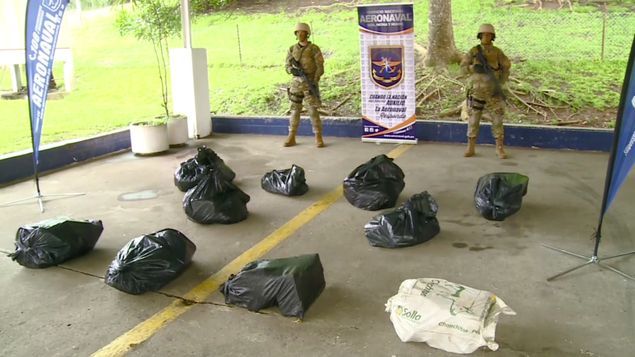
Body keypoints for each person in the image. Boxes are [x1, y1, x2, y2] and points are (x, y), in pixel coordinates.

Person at [460, 23, 511, 159]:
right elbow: (463, 67)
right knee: (473, 119)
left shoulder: (497, 52)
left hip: (493, 91)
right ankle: (470, 148)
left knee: (497, 119)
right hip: (476, 91)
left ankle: (499, 148)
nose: (486, 37)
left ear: (492, 36)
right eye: (484, 34)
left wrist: (501, 80)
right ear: (480, 36)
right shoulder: (473, 51)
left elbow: (506, 65)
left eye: (489, 35)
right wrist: (473, 68)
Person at [284, 22, 325, 148]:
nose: (300, 34)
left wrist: (315, 79)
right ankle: (291, 136)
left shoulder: (314, 49)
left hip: (309, 83)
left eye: (303, 32)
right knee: (295, 110)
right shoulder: (292, 49)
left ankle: (318, 136)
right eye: (298, 32)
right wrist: (292, 70)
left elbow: (320, 67)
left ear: (307, 34)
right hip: (296, 84)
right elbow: (287, 66)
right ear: (295, 34)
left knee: (312, 110)